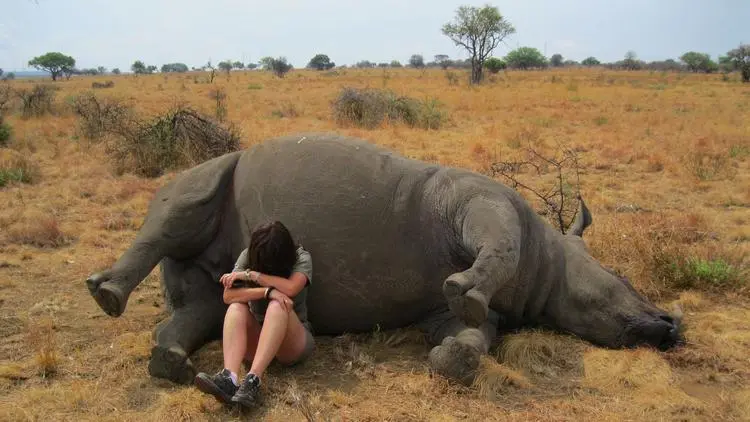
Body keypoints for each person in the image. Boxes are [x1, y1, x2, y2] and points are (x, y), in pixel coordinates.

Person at [193, 220, 315, 408]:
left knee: (278, 305)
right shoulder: (248, 255)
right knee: (236, 307)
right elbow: (228, 295)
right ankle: (229, 378)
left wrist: (253, 276)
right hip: (259, 339)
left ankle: (253, 381)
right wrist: (266, 291)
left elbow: (291, 289)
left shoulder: (302, 257)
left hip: (291, 341)